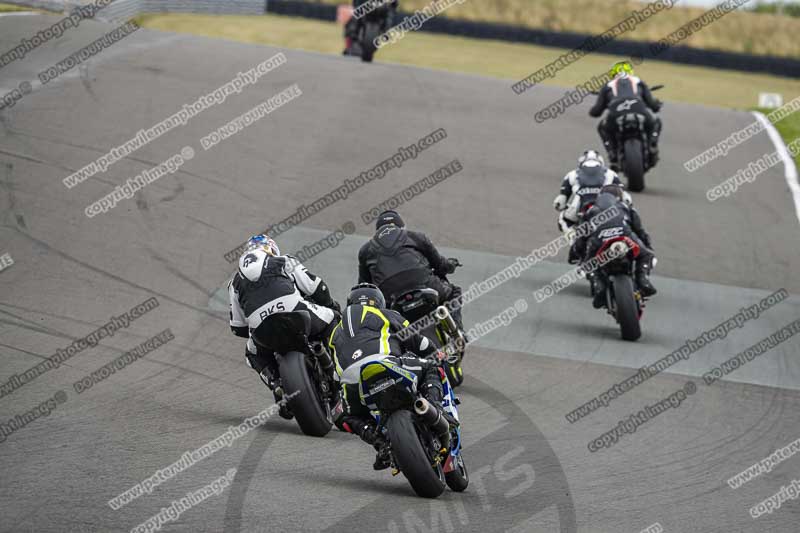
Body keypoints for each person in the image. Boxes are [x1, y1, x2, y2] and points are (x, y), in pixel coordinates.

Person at [328, 283, 449, 470]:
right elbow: (419, 342)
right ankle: (437, 407)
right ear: (378, 301)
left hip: (353, 382)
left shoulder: (335, 333)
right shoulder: (387, 314)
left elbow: (335, 375)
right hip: (386, 364)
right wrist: (437, 354)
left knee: (340, 415)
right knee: (432, 367)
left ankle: (380, 442)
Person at [229, 234, 341, 419]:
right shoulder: (284, 260)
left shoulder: (234, 283)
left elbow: (237, 327)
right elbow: (316, 287)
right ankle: (339, 371)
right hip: (295, 311)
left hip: (260, 326)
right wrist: (330, 305)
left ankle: (277, 384)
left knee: (252, 352)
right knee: (332, 318)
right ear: (271, 249)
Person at [357, 210, 464, 333]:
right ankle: (458, 330)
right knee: (454, 292)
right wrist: (451, 264)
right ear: (401, 226)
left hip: (390, 298)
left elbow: (364, 288)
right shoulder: (415, 236)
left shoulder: (365, 250)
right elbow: (441, 265)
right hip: (424, 284)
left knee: (383, 322)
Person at [575, 185, 656, 308]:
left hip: (600, 239)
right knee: (646, 255)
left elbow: (581, 236)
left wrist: (578, 250)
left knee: (588, 265)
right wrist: (647, 245)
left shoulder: (591, 210)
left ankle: (599, 286)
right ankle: (643, 279)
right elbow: (639, 230)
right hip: (625, 235)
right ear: (619, 196)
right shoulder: (626, 207)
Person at [589, 60, 662, 169]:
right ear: (630, 72)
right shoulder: (638, 81)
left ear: (613, 74)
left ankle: (612, 154)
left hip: (615, 113)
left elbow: (596, 111)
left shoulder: (608, 85)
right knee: (656, 122)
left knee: (602, 127)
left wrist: (595, 109)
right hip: (639, 109)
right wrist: (657, 105)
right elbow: (652, 105)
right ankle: (652, 144)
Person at [554, 149, 627, 234]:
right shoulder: (611, 173)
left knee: (563, 218)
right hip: (608, 211)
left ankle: (572, 236)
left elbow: (560, 202)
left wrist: (560, 206)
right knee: (626, 215)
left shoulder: (571, 174)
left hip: (579, 211)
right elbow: (625, 197)